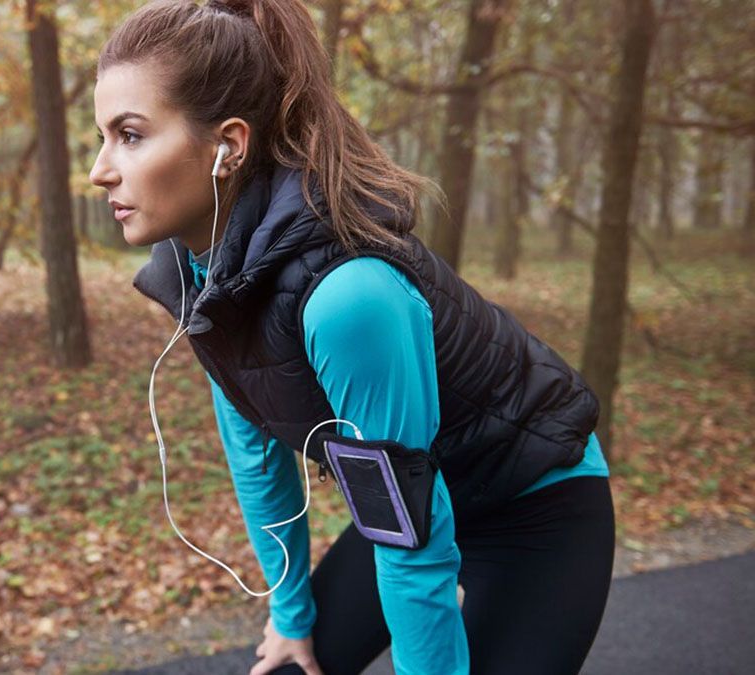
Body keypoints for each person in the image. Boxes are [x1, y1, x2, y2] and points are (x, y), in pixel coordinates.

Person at [88, 1, 615, 674]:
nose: (101, 169)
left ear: (229, 146)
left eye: (129, 135)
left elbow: (410, 538)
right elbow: (256, 453)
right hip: (422, 497)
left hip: (533, 505)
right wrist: (291, 616)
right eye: (102, 137)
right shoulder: (198, 273)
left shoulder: (348, 297)